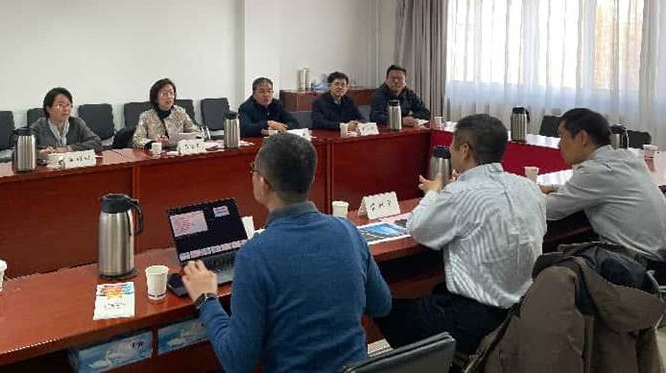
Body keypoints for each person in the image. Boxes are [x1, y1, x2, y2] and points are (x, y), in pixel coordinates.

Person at [182, 133, 392, 373]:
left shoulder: (255, 255)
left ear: (263, 183)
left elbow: (237, 363)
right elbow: (382, 304)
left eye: (253, 170)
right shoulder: (347, 231)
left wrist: (206, 299)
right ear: (310, 179)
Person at [376, 114, 546, 355]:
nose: (450, 150)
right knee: (436, 289)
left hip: (474, 321)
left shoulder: (460, 193)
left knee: (382, 306)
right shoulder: (528, 187)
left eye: (452, 145)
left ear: (465, 150)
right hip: (523, 312)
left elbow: (417, 228)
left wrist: (433, 192)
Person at [542, 108, 666, 264]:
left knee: (552, 263)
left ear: (582, 137)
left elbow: (546, 209)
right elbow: (598, 187)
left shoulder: (595, 171)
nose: (559, 144)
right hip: (658, 258)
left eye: (561, 136)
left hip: (635, 265)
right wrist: (554, 187)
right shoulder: (628, 158)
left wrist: (525, 191)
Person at [29, 87, 102, 157]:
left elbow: (96, 142)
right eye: (60, 105)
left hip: (74, 165)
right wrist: (39, 154)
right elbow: (27, 151)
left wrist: (69, 149)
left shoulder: (77, 123)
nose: (66, 109)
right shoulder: (38, 127)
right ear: (48, 109)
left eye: (68, 105)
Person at [132, 78, 199, 148]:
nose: (169, 96)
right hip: (155, 152)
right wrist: (155, 143)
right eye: (164, 94)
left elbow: (195, 132)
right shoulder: (146, 116)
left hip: (177, 152)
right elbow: (137, 139)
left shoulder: (180, 112)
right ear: (155, 98)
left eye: (171, 93)